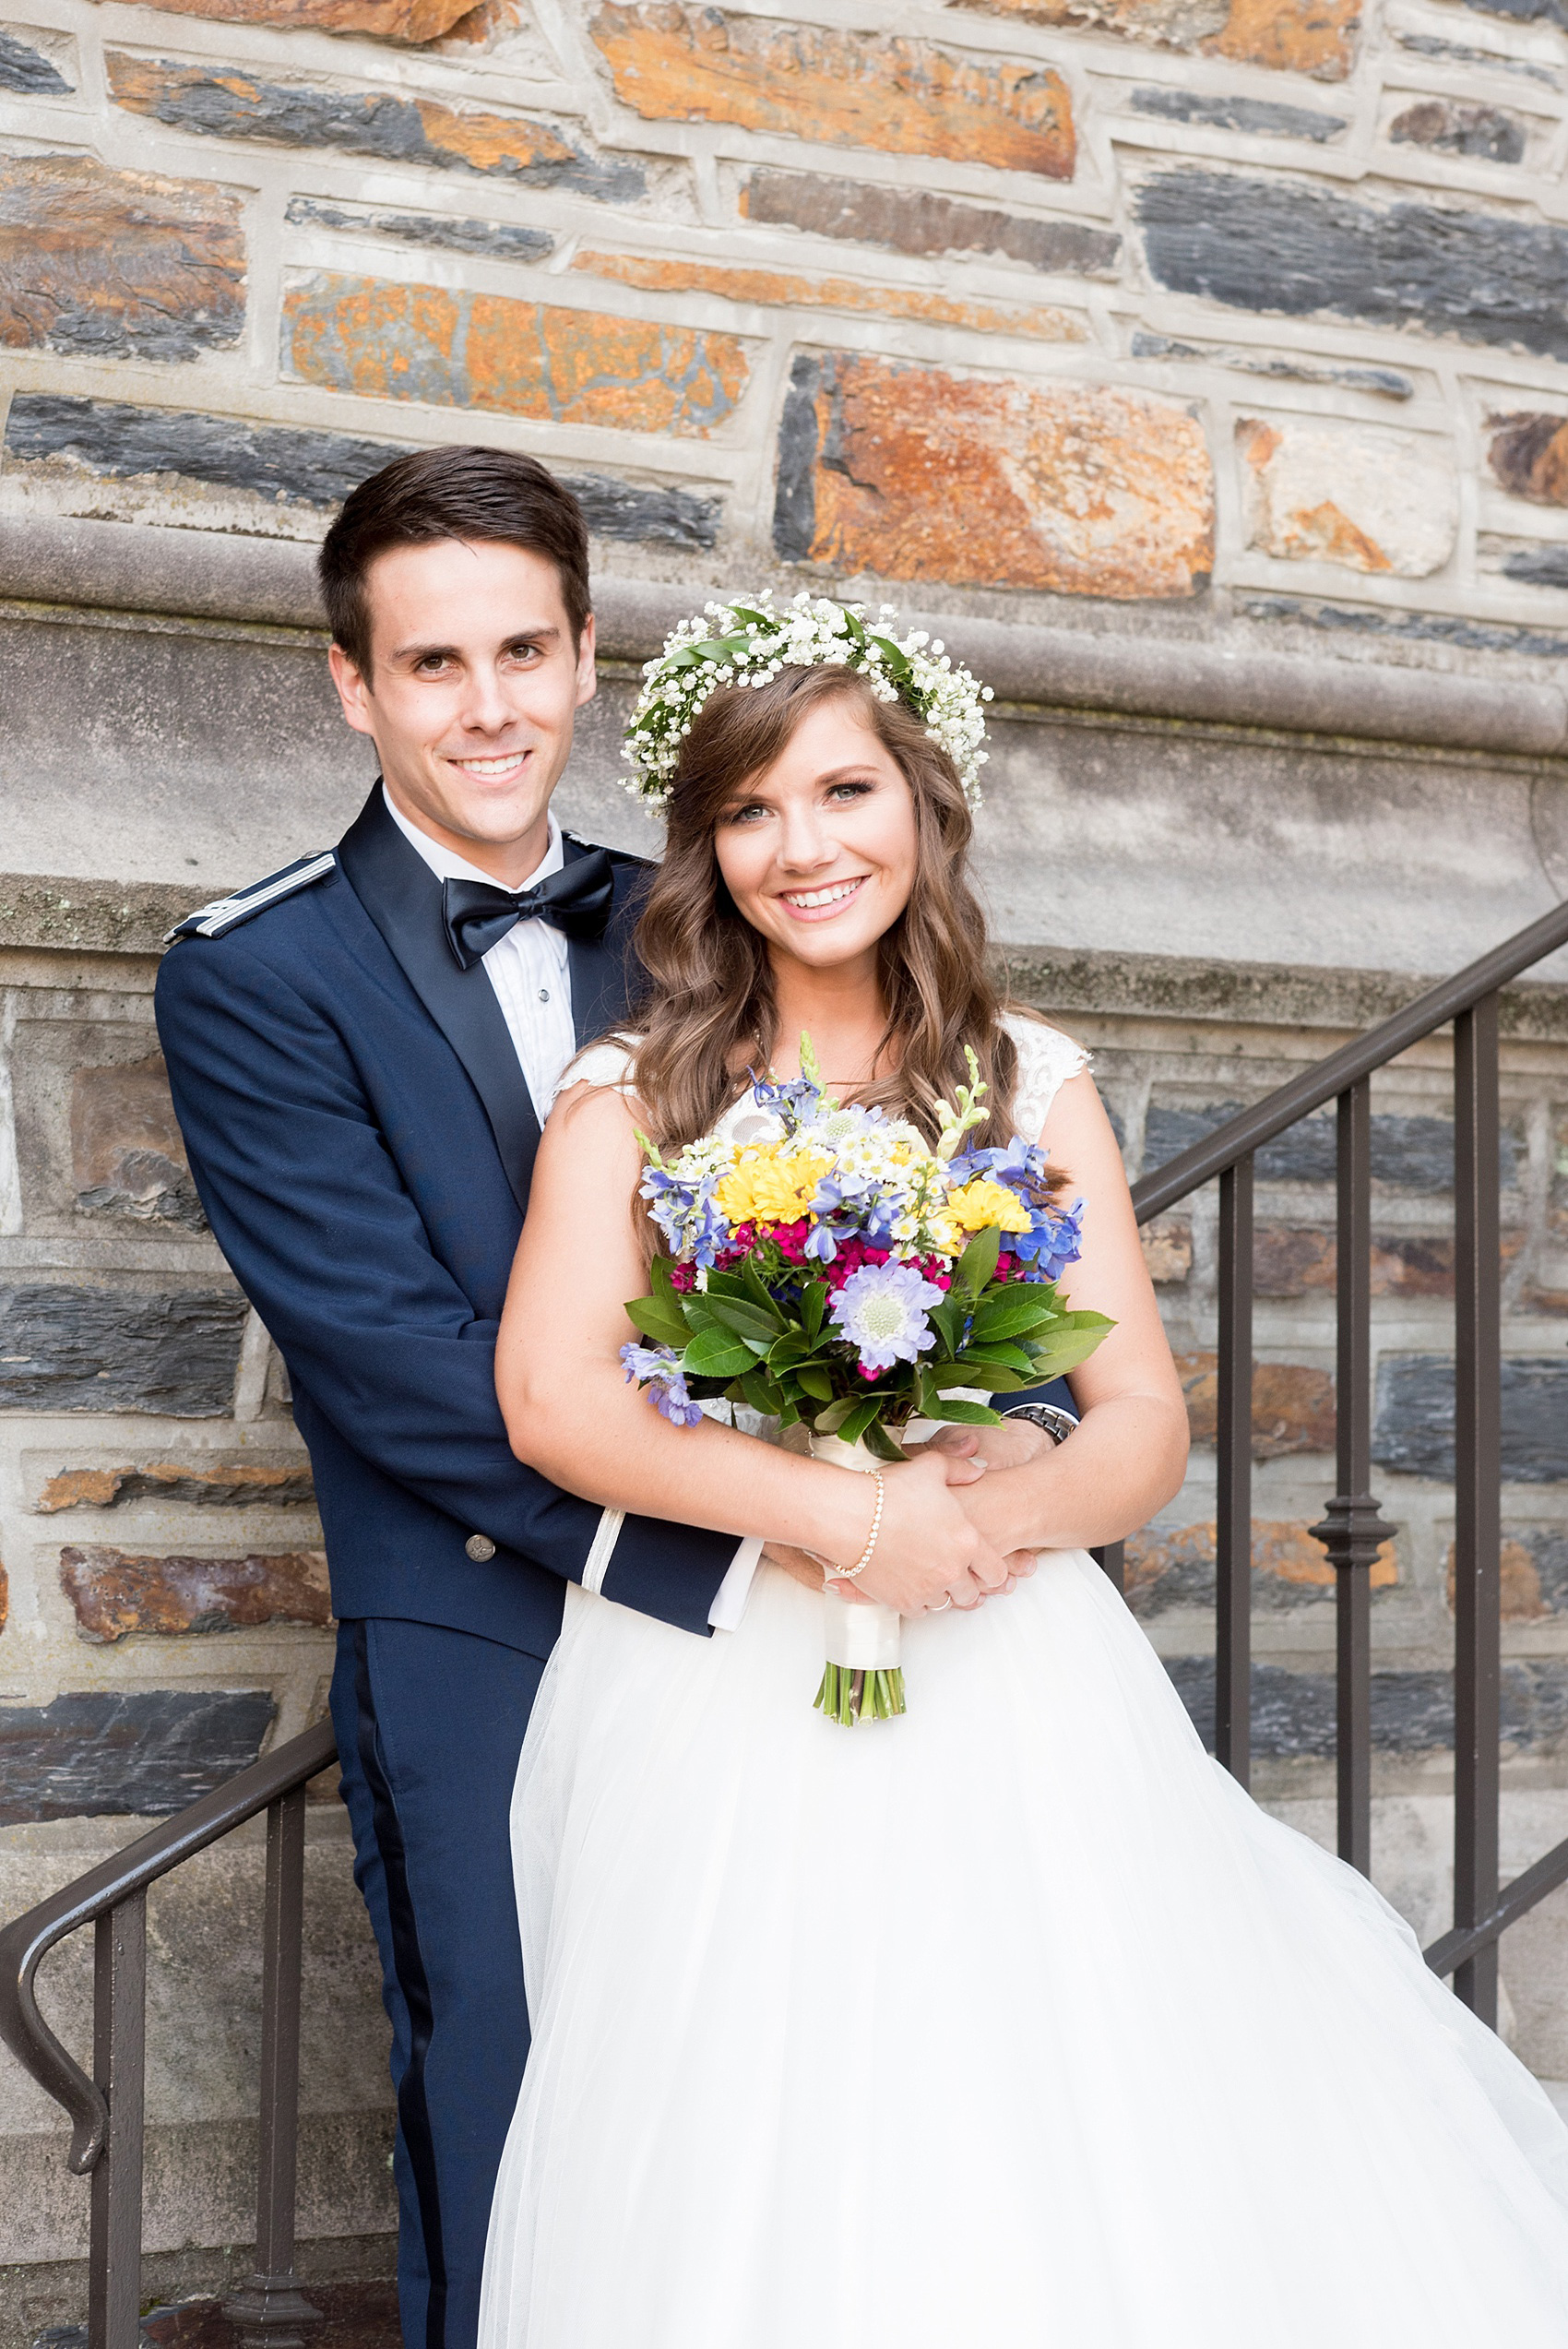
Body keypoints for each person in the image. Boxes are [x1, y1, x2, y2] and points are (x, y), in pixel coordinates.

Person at [482, 603, 1568, 2345]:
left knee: (1042, 2095)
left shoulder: (1023, 1080)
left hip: (1009, 1663)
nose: (803, 846)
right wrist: (847, 1514)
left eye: (845, 790)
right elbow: (551, 1398)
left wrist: (980, 1509)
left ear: (923, 801)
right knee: (751, 2112)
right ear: (707, 844)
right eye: (753, 810)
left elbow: (1137, 1419)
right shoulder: (641, 1086)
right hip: (721, 1684)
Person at [154, 450, 1008, 2349]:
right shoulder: (255, 969)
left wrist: (897, 1456)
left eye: (522, 652)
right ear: (351, 685)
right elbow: (394, 1365)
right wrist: (764, 1530)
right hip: (491, 1620)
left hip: (795, 1616)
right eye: (432, 663)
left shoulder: (713, 924)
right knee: (523, 2099)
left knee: (780, 2092)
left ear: (584, 653)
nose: (487, 707)